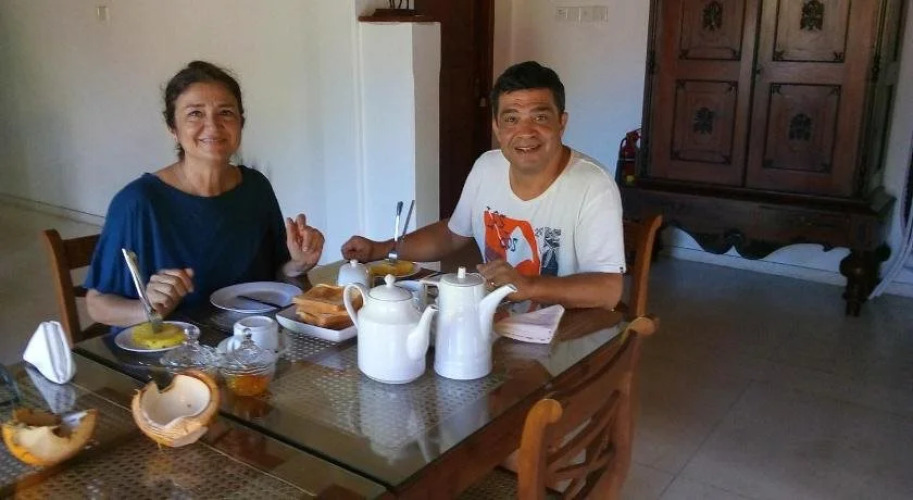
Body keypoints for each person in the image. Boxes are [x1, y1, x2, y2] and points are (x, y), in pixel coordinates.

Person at [342, 61, 625, 310]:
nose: (525, 132)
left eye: (540, 117)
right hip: (496, 319)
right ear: (497, 128)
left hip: (567, 331)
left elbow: (608, 290)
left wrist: (528, 286)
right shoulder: (488, 167)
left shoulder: (593, 186)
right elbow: (451, 235)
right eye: (512, 119)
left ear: (561, 123)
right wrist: (381, 249)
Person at [85, 61, 324, 327]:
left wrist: (298, 264)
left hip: (249, 340)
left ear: (240, 123)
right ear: (173, 129)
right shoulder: (138, 202)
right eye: (195, 114)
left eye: (225, 113)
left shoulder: (256, 187)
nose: (213, 125)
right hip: (170, 345)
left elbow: (275, 275)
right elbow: (97, 304)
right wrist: (150, 309)